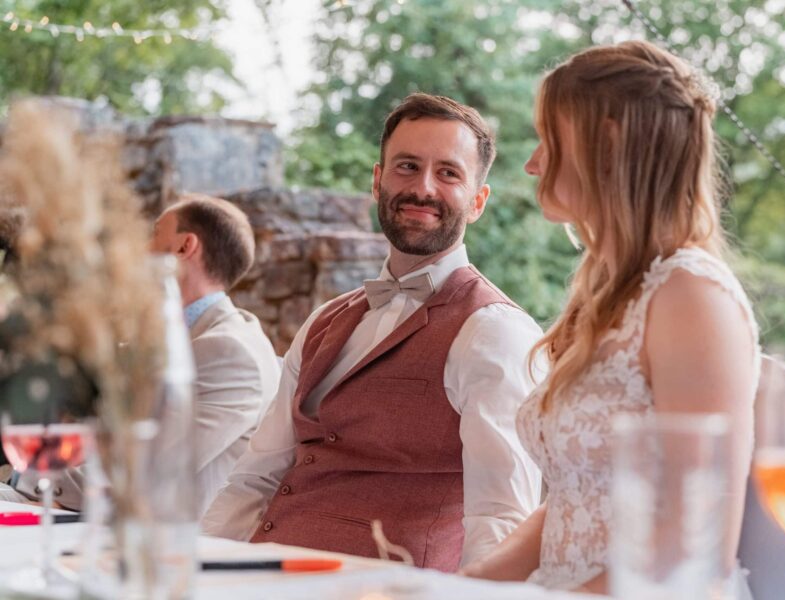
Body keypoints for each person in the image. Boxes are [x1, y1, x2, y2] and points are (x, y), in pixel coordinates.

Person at [462, 41, 760, 596]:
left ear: (608, 145)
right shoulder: (607, 293)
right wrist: (463, 585)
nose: (532, 163)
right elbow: (572, 503)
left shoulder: (690, 295)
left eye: (549, 139)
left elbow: (695, 546)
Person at [202, 93, 544, 571]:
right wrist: (196, 565)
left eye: (448, 173)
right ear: (378, 181)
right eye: (407, 167)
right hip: (264, 578)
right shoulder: (324, 321)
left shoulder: (494, 331)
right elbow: (255, 478)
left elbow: (501, 517)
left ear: (477, 202)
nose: (423, 188)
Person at [10, 194, 281, 515]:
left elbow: (145, 472)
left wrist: (23, 478)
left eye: (154, 235)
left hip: (162, 532)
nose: (141, 251)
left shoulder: (230, 352)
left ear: (184, 246)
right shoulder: (171, 335)